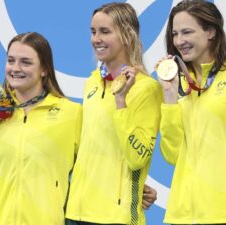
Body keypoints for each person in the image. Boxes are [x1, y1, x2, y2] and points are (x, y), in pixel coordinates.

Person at [0, 32, 82, 225]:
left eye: (26, 62)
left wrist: (139, 189)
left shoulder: (71, 113)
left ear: (44, 68)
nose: (15, 68)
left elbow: (92, 170)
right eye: (11, 60)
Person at [157, 0, 226, 224]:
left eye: (187, 32)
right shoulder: (182, 86)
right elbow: (171, 155)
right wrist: (169, 97)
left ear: (211, 32)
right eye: (175, 33)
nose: (179, 41)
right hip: (182, 216)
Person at [66, 2, 162, 225]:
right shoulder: (92, 82)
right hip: (77, 212)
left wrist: (120, 102)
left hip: (116, 217)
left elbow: (137, 157)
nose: (96, 39)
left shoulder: (146, 89)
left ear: (128, 35)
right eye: (93, 32)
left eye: (105, 31)